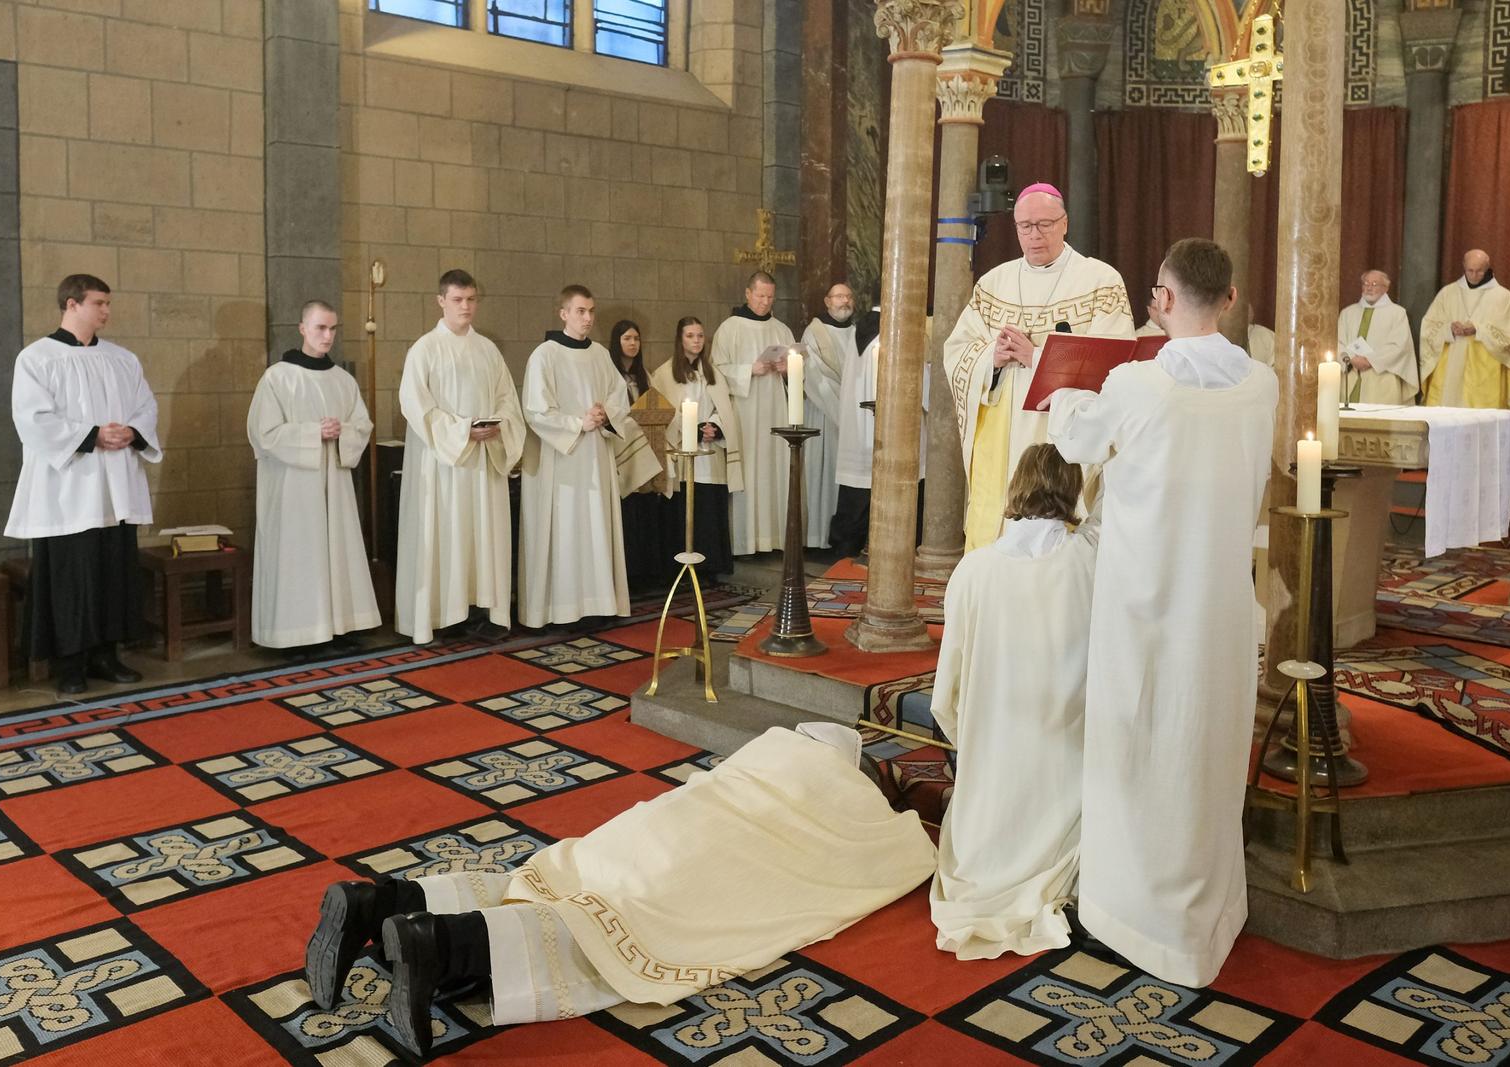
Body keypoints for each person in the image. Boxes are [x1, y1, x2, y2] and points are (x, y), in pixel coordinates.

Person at [304, 722, 935, 1056]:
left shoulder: (760, 758)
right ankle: (441, 942)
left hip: (635, 833)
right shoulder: (845, 802)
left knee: (540, 881)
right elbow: (891, 862)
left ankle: (383, 901)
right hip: (684, 866)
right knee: (613, 933)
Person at [1045, 238, 1277, 988]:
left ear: (1163, 300)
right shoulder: (1264, 384)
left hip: (1143, 603)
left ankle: (1130, 914)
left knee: (1139, 744)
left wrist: (1065, 395)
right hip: (1220, 604)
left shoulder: (1136, 382)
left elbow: (1076, 441)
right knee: (1205, 746)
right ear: (1231, 299)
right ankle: (1206, 913)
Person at [930, 444, 1097, 960]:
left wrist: (973, 737)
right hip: (1064, 752)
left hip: (994, 748)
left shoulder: (974, 569)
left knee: (986, 806)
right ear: (1072, 489)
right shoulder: (1090, 563)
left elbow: (947, 686)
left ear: (1016, 484)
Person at [943, 183, 1133, 552]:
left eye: (1045, 224)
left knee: (1057, 542)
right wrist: (991, 358)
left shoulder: (1101, 282)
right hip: (1001, 431)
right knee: (997, 533)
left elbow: (1113, 363)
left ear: (1065, 224)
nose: (1035, 235)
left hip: (1060, 430)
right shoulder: (992, 284)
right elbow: (958, 351)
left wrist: (1037, 358)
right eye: (1025, 226)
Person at [6, 274, 161, 694]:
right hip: (68, 490)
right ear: (71, 304)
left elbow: (146, 406)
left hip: (115, 488)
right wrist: (92, 436)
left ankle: (106, 655)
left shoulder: (122, 359)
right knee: (72, 578)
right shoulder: (37, 358)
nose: (106, 311)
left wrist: (132, 431)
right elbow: (32, 419)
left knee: (112, 571)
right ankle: (70, 664)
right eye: (99, 303)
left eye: (108, 303)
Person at [395, 269, 526, 645]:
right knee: (447, 533)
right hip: (444, 464)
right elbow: (415, 405)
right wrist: (461, 431)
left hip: (483, 460)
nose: (465, 307)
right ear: (441, 301)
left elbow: (508, 400)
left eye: (471, 300)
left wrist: (499, 425)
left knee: (482, 535)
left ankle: (483, 611)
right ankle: (443, 615)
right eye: (457, 300)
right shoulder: (425, 349)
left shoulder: (487, 350)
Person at [247, 301, 380, 655]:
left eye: (333, 329)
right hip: (293, 487)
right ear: (303, 328)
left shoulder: (343, 380)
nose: (328, 336)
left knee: (336, 550)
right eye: (320, 327)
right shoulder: (278, 377)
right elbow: (263, 433)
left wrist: (342, 431)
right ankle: (297, 635)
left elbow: (362, 426)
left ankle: (337, 626)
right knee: (299, 555)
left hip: (334, 484)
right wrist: (312, 433)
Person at [517, 286, 640, 629]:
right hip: (563, 458)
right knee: (566, 529)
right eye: (580, 311)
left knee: (596, 526)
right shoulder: (545, 355)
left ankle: (599, 604)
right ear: (564, 314)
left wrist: (605, 414)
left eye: (591, 311)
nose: (588, 318)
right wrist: (576, 424)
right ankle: (563, 610)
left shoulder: (599, 354)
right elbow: (535, 410)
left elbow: (619, 397)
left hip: (596, 454)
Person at [828, 309, 928, 557]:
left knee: (858, 493)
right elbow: (922, 381)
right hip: (895, 421)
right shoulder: (901, 330)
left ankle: (845, 556)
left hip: (859, 423)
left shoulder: (858, 329)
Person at [649, 317, 740, 579]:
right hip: (681, 452)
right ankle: (681, 569)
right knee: (684, 509)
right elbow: (663, 412)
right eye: (690, 336)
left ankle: (710, 566)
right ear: (680, 339)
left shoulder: (713, 373)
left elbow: (726, 407)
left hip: (710, 454)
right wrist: (693, 429)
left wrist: (714, 427)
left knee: (709, 509)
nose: (697, 340)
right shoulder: (664, 374)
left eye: (700, 335)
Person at [711, 272, 794, 554]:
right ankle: (745, 542)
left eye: (770, 297)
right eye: (760, 296)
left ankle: (774, 539)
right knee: (749, 469)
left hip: (776, 411)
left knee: (774, 469)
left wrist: (787, 370)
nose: (765, 302)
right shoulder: (729, 328)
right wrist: (749, 370)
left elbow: (796, 373)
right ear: (748, 294)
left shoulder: (782, 330)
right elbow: (716, 371)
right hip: (744, 413)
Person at [1419, 249, 1510, 411]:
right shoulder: (1448, 292)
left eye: (1479, 271)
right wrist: (1449, 328)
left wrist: (1478, 329)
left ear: (1488, 268)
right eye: (1470, 270)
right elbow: (1428, 326)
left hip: (1485, 369)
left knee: (1480, 416)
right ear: (1464, 267)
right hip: (1450, 366)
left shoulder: (1501, 295)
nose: (1474, 275)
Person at [606, 319, 668, 590]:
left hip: (647, 447)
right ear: (616, 342)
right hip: (623, 447)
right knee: (628, 512)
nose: (632, 344)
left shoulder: (645, 375)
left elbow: (657, 406)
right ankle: (629, 574)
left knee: (647, 510)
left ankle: (648, 571)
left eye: (636, 339)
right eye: (627, 339)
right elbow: (613, 412)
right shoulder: (610, 374)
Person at [799, 283, 856, 549]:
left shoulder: (858, 332)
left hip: (852, 414)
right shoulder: (815, 332)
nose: (844, 301)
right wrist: (842, 413)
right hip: (824, 414)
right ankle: (818, 536)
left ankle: (843, 536)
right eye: (839, 297)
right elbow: (814, 376)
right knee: (822, 471)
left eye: (848, 296)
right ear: (827, 301)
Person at [1337, 270, 1418, 405]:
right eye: (1366, 283)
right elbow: (1338, 341)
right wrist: (1351, 358)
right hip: (1350, 375)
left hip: (1383, 379)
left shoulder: (1397, 313)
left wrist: (1370, 361)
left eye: (1374, 284)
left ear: (1386, 288)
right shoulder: (1347, 313)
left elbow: (1399, 346)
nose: (1369, 288)